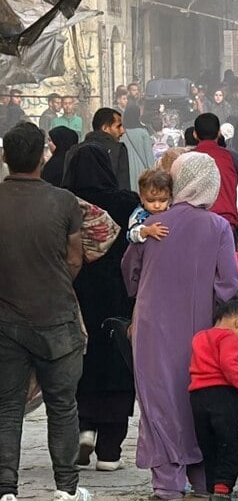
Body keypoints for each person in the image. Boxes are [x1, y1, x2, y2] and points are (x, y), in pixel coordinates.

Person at [121, 152, 238, 500]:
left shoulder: (151, 226)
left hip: (150, 328)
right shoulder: (218, 226)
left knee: (159, 400)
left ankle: (167, 484)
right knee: (196, 397)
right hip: (199, 330)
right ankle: (202, 480)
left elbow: (130, 277)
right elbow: (228, 285)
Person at [0, 122, 90, 501]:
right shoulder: (64, 201)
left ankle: (6, 489)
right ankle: (66, 488)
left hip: (5, 321)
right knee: (62, 406)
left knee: (6, 408)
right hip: (57, 317)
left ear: (5, 157)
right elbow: (74, 259)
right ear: (43, 156)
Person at [64, 144, 139, 473]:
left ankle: (84, 429)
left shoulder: (63, 202)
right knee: (116, 362)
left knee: (79, 361)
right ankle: (109, 451)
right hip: (118, 296)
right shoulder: (126, 203)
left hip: (74, 296)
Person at [188, 300, 238, 500]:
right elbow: (230, 367)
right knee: (227, 443)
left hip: (197, 396)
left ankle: (211, 486)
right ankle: (223, 487)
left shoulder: (200, 337)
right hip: (222, 395)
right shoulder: (229, 337)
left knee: (207, 444)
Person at [63, 107, 131, 191]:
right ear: (105, 128)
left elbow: (67, 187)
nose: (122, 131)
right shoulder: (118, 150)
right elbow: (123, 187)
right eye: (118, 126)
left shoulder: (74, 150)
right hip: (109, 202)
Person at [128, 169, 173, 245]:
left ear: (170, 198)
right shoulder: (139, 214)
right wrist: (146, 231)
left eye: (163, 200)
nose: (157, 206)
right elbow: (130, 236)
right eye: (150, 201)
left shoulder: (172, 210)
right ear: (141, 198)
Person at [121, 105, 154, 193]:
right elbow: (149, 156)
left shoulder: (122, 133)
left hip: (126, 169)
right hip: (141, 170)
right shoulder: (143, 133)